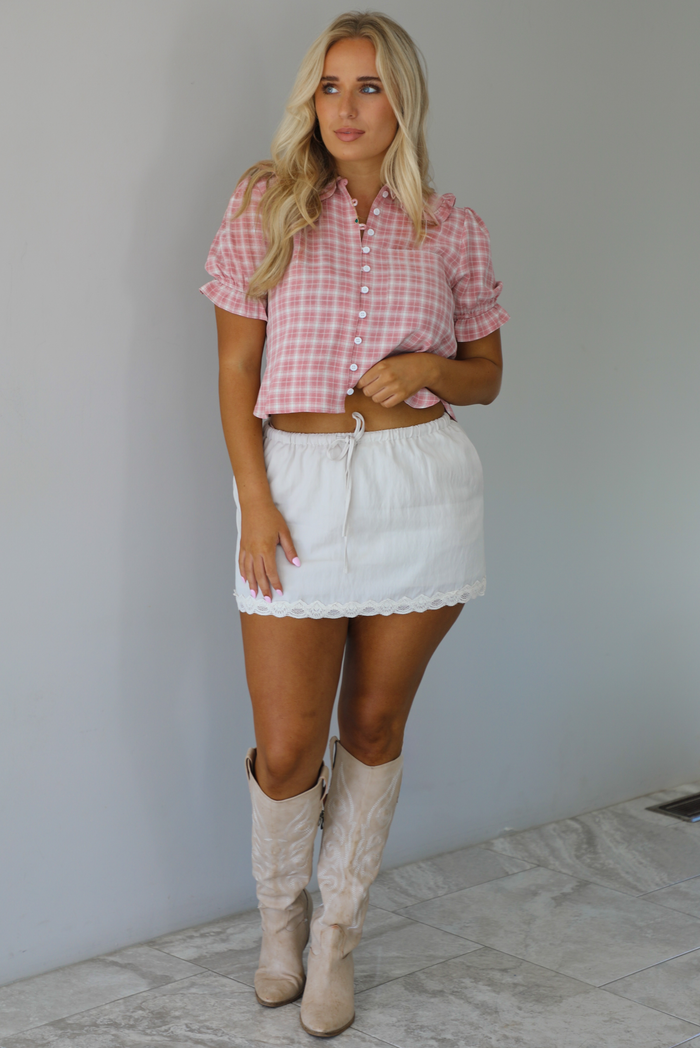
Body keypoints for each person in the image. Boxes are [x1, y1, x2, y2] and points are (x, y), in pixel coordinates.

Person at [200, 11, 508, 1038]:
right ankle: (277, 927)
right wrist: (253, 497)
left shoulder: (452, 224)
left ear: (402, 101)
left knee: (372, 727)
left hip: (418, 489)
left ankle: (335, 938)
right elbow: (237, 368)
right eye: (330, 87)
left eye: (367, 87)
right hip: (293, 483)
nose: (344, 106)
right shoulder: (266, 201)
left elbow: (489, 376)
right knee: (287, 748)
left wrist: (427, 369)